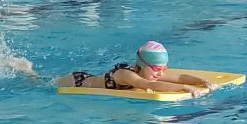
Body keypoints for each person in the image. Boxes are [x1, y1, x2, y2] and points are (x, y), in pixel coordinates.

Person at [56, 41, 217, 95]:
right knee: (45, 84)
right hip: (76, 82)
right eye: (156, 68)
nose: (160, 73)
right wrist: (185, 88)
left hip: (87, 78)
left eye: (163, 69)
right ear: (142, 65)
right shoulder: (126, 75)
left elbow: (180, 77)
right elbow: (151, 86)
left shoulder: (150, 73)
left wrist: (202, 81)